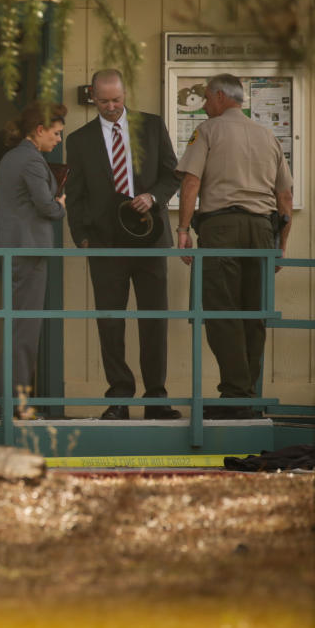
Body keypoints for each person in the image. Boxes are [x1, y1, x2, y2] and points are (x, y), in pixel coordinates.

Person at [64, 69, 182, 421]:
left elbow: (171, 173)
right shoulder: (79, 139)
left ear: (125, 93)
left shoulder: (151, 125)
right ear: (93, 97)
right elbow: (76, 195)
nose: (112, 107)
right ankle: (119, 396)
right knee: (110, 322)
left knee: (154, 321)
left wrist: (154, 197)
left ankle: (156, 398)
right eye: (104, 102)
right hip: (104, 243)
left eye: (117, 100)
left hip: (150, 239)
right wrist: (81, 236)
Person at [175, 74, 294, 419]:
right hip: (261, 230)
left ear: (219, 97)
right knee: (253, 314)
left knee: (221, 311)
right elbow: (284, 197)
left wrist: (183, 229)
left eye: (208, 99)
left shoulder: (208, 132)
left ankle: (235, 396)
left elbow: (191, 182)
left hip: (221, 229)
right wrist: (280, 246)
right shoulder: (267, 136)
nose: (206, 106)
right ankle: (247, 396)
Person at [0, 101, 68, 417]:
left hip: (8, 247)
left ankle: (6, 402)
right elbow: (47, 207)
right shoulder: (31, 161)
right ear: (40, 130)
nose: (58, 140)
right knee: (25, 331)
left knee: (16, 327)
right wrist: (61, 204)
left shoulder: (10, 157)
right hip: (27, 250)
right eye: (56, 133)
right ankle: (16, 405)